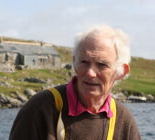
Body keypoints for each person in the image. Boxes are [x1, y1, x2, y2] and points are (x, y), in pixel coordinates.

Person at [9, 25, 141, 140]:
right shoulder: (41, 108)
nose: (90, 73)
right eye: (84, 62)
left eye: (101, 65)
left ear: (121, 72)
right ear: (74, 62)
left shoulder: (124, 121)